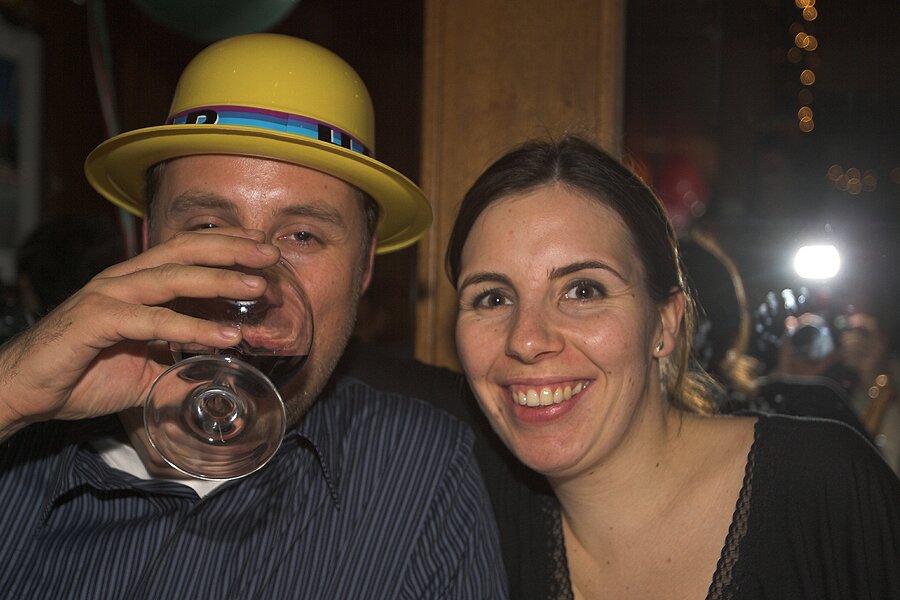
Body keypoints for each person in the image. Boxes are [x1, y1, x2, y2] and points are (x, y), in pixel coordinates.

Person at [0, 33, 507, 598]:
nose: (250, 278)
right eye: (208, 226)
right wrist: (10, 395)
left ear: (364, 266)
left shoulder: (419, 476)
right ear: (148, 240)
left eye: (303, 236)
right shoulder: (21, 437)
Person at [445, 135, 900, 599]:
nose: (526, 340)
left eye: (583, 291)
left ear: (666, 321)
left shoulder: (822, 488)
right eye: (493, 298)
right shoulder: (461, 515)